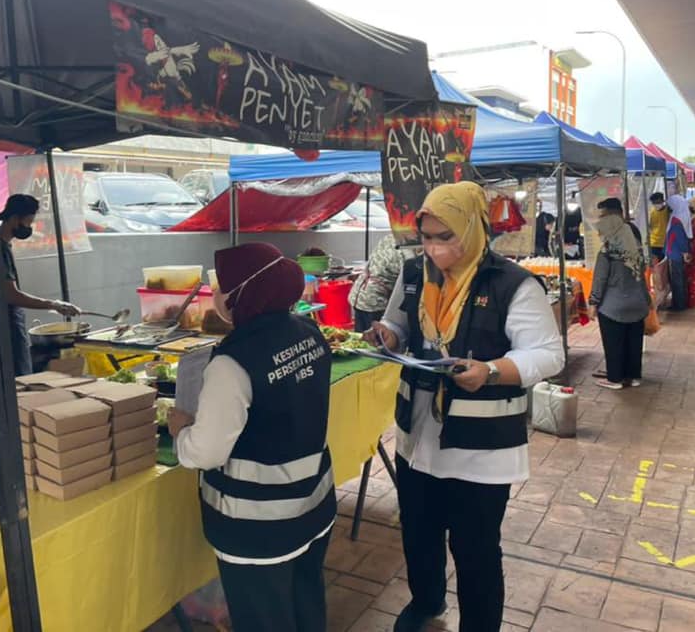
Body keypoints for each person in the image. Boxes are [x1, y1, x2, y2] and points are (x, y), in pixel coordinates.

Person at [365, 182, 564, 632]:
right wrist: (387, 335)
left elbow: (549, 354)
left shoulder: (512, 284)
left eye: (445, 236)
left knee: (475, 549)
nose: (434, 248)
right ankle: (426, 602)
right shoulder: (414, 273)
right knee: (418, 532)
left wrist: (492, 371)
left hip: (480, 449)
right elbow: (399, 323)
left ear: (473, 229)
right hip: (418, 438)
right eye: (426, 237)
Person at [168, 243, 336, 632]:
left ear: (244, 293)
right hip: (313, 504)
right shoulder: (309, 331)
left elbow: (206, 453)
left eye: (221, 287)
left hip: (257, 525)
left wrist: (182, 432)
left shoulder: (233, 361)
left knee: (264, 619)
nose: (215, 295)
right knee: (306, 601)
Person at [0, 195, 80, 376]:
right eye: (28, 222)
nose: (29, 227)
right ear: (14, 219)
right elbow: (11, 295)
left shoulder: (2, 245)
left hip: (8, 321)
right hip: (6, 325)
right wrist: (54, 305)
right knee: (20, 378)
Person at [589, 200, 650, 390]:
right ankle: (634, 376)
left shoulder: (607, 250)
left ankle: (615, 379)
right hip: (638, 301)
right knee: (634, 342)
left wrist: (593, 302)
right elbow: (642, 271)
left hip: (613, 305)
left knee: (614, 343)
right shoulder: (635, 241)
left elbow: (600, 279)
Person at [349, 234, 405, 332]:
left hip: (360, 294)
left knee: (361, 336)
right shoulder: (407, 248)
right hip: (375, 300)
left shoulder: (389, 237)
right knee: (375, 337)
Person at [665, 195, 692, 311]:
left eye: (670, 205)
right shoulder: (682, 215)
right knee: (679, 278)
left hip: (675, 253)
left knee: (677, 279)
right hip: (676, 252)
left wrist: (684, 251)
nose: (668, 208)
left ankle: (679, 305)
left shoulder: (676, 219)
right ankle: (680, 302)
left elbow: (679, 238)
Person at [648, 192, 669, 261]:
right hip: (654, 242)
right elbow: (650, 226)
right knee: (656, 263)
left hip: (665, 242)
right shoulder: (652, 211)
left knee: (665, 263)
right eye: (654, 203)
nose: (656, 205)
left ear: (663, 201)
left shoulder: (668, 211)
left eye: (658, 202)